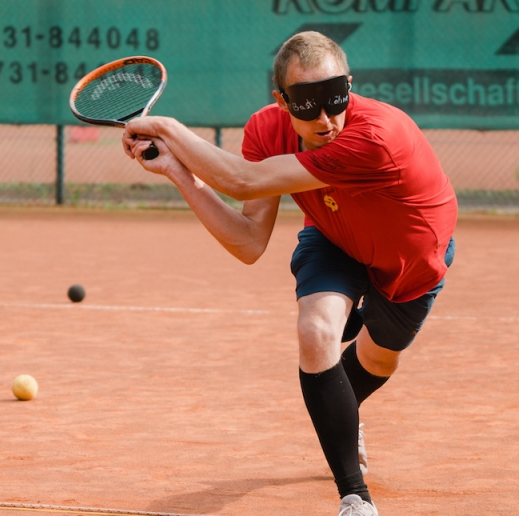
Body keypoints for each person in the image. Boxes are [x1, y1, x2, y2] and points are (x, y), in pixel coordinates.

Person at [120, 31, 457, 516]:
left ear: (350, 85)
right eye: (306, 103)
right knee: (316, 331)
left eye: (335, 98)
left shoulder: (375, 136)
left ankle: (344, 408)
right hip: (334, 236)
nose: (325, 118)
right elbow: (248, 241)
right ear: (281, 101)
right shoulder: (265, 129)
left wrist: (169, 128)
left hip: (411, 258)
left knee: (380, 361)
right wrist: (179, 171)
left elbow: (241, 178)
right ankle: (355, 498)